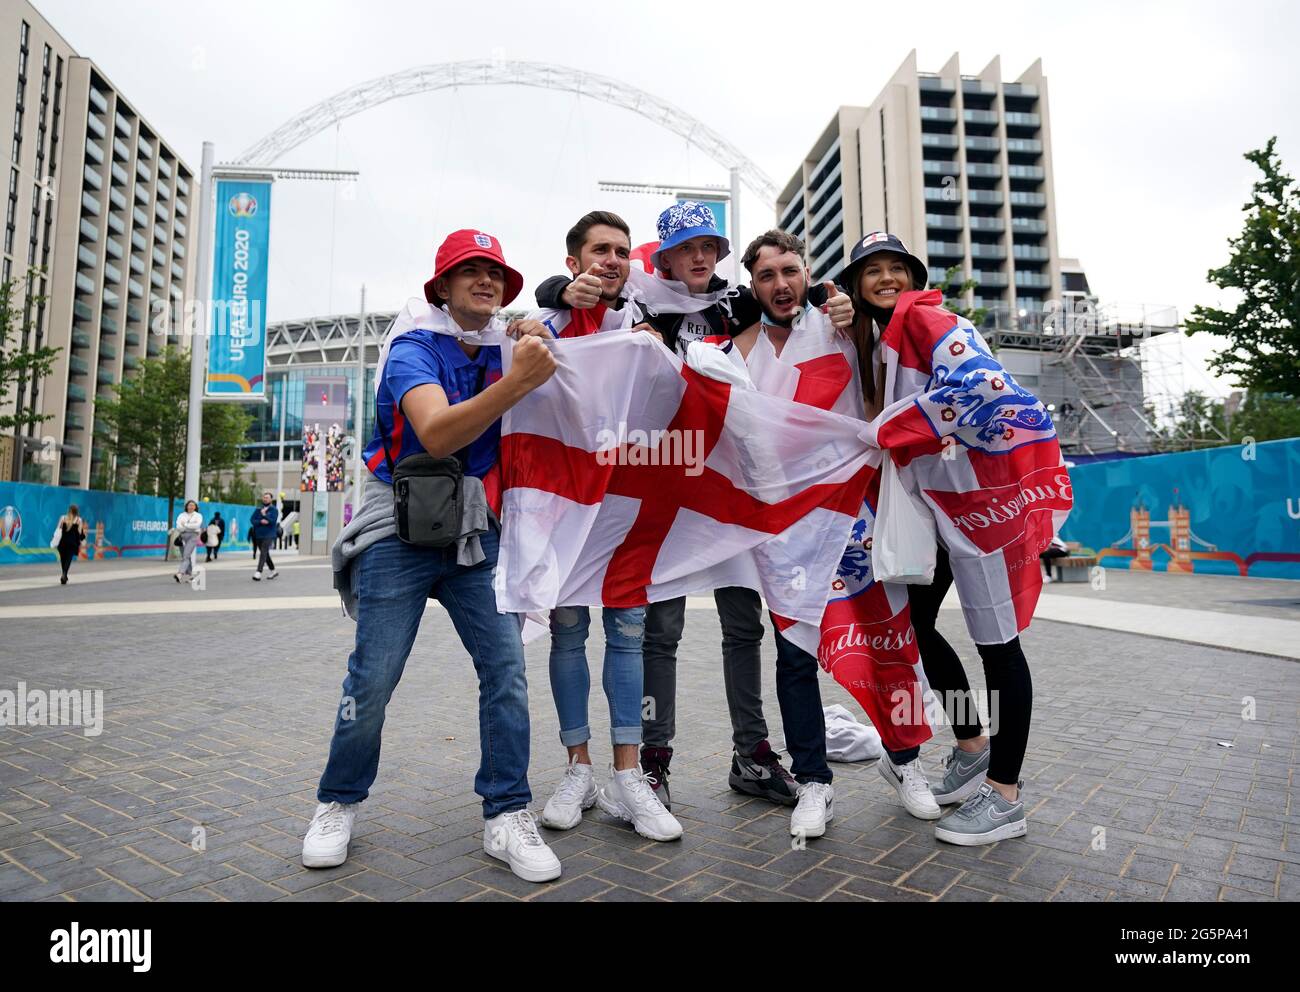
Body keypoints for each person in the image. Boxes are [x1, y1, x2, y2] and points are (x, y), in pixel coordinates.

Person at [534, 203, 856, 811]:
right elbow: (568, 292)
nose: (702, 257)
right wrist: (558, 286)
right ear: (663, 256)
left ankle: (752, 754)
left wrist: (838, 300)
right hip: (662, 485)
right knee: (661, 630)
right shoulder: (638, 300)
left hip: (729, 486)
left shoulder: (738, 302)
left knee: (743, 625)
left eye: (711, 245)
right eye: (688, 248)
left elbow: (798, 294)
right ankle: (654, 760)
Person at [302, 229, 564, 884]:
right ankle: (337, 801)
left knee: (506, 670)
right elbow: (440, 432)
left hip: (474, 526)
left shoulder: (511, 342)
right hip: (399, 519)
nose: (486, 280)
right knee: (373, 676)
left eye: (496, 273)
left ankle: (507, 812)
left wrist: (544, 319)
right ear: (440, 287)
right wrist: (519, 381)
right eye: (468, 270)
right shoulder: (411, 345)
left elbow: (576, 328)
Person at [842, 231, 1068, 845]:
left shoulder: (934, 319)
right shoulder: (883, 340)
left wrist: (889, 428)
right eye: (872, 272)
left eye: (896, 268)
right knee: (915, 624)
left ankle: (1006, 795)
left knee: (998, 644)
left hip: (978, 506)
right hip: (935, 511)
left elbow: (987, 386)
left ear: (913, 277)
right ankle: (971, 746)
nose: (885, 279)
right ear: (857, 286)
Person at [529, 211, 681, 842]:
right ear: (573, 263)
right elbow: (518, 365)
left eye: (622, 251)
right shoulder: (545, 325)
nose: (613, 259)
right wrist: (547, 306)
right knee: (567, 638)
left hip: (623, 511)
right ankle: (577, 769)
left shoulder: (642, 328)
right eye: (599, 251)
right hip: (565, 510)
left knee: (626, 637)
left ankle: (628, 775)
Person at [54, 505, 88, 585]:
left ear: (69, 510)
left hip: (62, 543)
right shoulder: (78, 520)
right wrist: (83, 538)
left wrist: (54, 539)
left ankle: (64, 575)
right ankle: (64, 574)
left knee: (63, 559)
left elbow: (58, 529)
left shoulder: (63, 518)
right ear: (77, 511)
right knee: (68, 559)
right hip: (72, 543)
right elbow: (80, 533)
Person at [250, 491, 279, 580]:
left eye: (267, 497)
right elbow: (252, 520)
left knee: (263, 552)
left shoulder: (274, 510)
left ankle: (258, 572)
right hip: (258, 534)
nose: (265, 499)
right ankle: (273, 571)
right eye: (264, 497)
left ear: (271, 499)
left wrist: (264, 515)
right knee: (265, 554)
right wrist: (260, 521)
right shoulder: (258, 509)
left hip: (269, 534)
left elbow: (272, 521)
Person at [174, 500, 203, 583]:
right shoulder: (181, 515)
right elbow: (179, 527)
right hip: (182, 536)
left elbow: (197, 526)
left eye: (193, 505)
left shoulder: (198, 515)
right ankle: (191, 576)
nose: (191, 507)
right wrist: (189, 526)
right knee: (186, 556)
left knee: (186, 555)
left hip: (193, 536)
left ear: (195, 507)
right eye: (189, 505)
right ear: (186, 506)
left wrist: (185, 525)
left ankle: (180, 573)